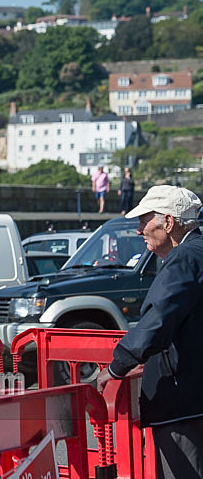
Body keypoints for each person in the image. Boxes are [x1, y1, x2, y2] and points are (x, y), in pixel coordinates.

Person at [97, 185, 203, 478]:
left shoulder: (183, 258)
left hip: (184, 401)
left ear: (168, 222)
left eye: (144, 221)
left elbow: (156, 321)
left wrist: (117, 367)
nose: (139, 230)